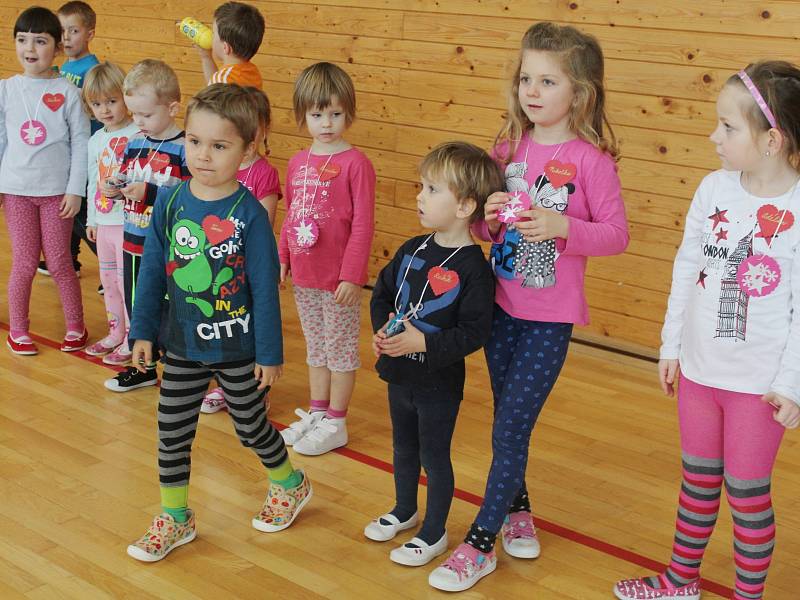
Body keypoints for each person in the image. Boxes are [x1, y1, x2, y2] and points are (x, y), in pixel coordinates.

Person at [428, 22, 629, 592]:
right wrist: (487, 217)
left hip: (550, 318)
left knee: (513, 424)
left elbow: (616, 234)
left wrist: (565, 225)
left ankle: (480, 541)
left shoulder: (593, 163)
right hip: (499, 308)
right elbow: (488, 230)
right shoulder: (507, 148)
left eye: (548, 81)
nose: (532, 91)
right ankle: (518, 508)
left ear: (581, 93)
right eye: (525, 79)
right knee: (506, 423)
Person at [614, 61, 800, 600]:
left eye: (727, 127)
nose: (712, 136)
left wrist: (791, 386)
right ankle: (679, 582)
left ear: (771, 140)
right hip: (699, 374)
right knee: (696, 484)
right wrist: (672, 345)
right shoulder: (712, 189)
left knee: (746, 497)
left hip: (757, 388)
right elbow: (686, 269)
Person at [126, 83, 311, 562]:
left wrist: (270, 355)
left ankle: (289, 483)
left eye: (219, 145)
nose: (203, 155)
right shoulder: (169, 202)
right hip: (183, 341)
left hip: (239, 349)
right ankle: (175, 516)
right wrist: (142, 329)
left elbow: (265, 292)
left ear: (247, 150)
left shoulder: (249, 215)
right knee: (172, 430)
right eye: (194, 141)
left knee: (250, 427)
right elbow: (151, 270)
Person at [367, 141, 499, 567]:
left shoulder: (474, 268)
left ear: (464, 206)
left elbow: (475, 331)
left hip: (437, 384)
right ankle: (405, 509)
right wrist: (383, 331)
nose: (420, 196)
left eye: (432, 189)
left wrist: (422, 342)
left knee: (433, 455)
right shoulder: (412, 250)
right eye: (421, 186)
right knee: (403, 447)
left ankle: (434, 531)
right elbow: (382, 295)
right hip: (398, 374)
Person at [278, 62, 375, 456]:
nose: (327, 123)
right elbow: (292, 215)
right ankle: (318, 412)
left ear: (348, 112)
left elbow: (364, 226)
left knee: (340, 350)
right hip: (304, 275)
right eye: (318, 115)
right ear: (303, 115)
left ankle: (337, 419)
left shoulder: (356, 164)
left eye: (335, 113)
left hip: (338, 282)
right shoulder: (298, 162)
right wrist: (283, 255)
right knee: (316, 348)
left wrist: (351, 276)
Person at [1, 6, 90, 356]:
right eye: (22, 40)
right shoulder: (7, 89)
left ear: (57, 46)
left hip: (57, 194)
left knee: (59, 262)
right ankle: (18, 331)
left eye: (40, 41)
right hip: (17, 192)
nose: (30, 48)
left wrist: (75, 190)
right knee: (23, 263)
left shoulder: (67, 91)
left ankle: (76, 326)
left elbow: (82, 142)